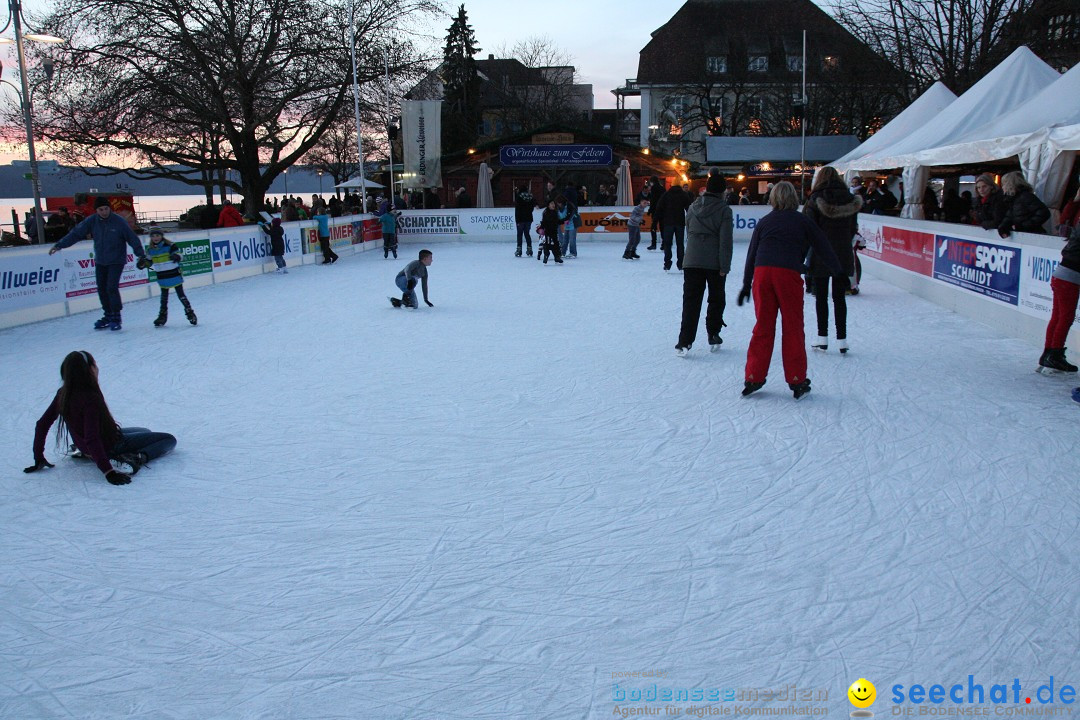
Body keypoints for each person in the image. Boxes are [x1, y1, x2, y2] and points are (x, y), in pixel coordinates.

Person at [736, 181, 841, 399]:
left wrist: (747, 284)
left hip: (763, 274)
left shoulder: (765, 222)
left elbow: (751, 255)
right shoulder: (803, 221)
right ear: (794, 198)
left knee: (763, 326)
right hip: (788, 275)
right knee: (793, 327)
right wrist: (839, 273)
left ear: (773, 198)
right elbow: (823, 247)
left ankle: (753, 376)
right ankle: (796, 379)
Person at [26, 350, 177, 485]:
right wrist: (108, 472)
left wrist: (38, 456)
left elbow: (42, 424)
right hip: (109, 445)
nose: (97, 368)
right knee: (168, 439)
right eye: (95, 364)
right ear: (89, 370)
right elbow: (92, 437)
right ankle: (135, 457)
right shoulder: (90, 398)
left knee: (144, 430)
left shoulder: (63, 393)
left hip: (94, 441)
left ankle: (85, 451)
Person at [49, 197, 147, 331]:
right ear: (96, 210)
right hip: (101, 260)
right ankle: (108, 315)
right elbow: (76, 233)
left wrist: (141, 254)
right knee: (101, 288)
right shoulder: (92, 221)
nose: (104, 212)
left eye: (106, 209)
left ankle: (116, 316)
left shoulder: (119, 222)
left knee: (111, 287)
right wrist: (60, 245)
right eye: (101, 209)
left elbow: (132, 238)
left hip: (116, 260)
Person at [803, 167, 862, 354]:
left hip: (821, 254)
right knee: (839, 298)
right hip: (843, 253)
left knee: (821, 297)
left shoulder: (814, 200)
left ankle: (822, 338)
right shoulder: (851, 200)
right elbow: (853, 228)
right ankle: (842, 340)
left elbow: (808, 228)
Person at [676, 173, 733, 356]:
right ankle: (713, 333)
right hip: (714, 262)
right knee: (716, 299)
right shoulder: (724, 210)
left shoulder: (692, 207)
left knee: (691, 301)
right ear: (722, 191)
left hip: (691, 260)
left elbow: (689, 230)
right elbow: (726, 241)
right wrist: (725, 266)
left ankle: (684, 341)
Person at [1038, 222, 1080, 374]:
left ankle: (1048, 353)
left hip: (1061, 275)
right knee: (1065, 318)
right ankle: (1054, 354)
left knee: (1057, 317)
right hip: (1069, 279)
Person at [144, 227, 198, 326]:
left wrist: (177, 256)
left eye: (157, 235)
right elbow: (148, 262)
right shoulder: (150, 249)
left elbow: (180, 255)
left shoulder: (169, 246)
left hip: (174, 275)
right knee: (164, 298)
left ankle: (190, 313)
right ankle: (162, 317)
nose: (155, 238)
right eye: (153, 236)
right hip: (162, 277)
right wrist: (143, 263)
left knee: (181, 295)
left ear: (161, 236)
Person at [653, 181, 692, 271]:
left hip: (668, 222)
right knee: (680, 244)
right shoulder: (683, 195)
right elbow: (689, 209)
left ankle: (667, 263)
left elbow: (659, 208)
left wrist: (654, 222)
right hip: (680, 222)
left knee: (667, 244)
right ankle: (681, 264)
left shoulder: (666, 195)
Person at [998, 170, 1050, 236]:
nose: (1002, 187)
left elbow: (1044, 213)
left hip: (1032, 235)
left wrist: (1024, 225)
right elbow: (1010, 215)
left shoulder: (1025, 197)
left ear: (1010, 184)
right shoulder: (1013, 199)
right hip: (1022, 234)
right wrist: (1003, 226)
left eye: (1004, 184)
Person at [538, 199, 564, 265]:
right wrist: (541, 228)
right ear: (548, 205)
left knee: (556, 244)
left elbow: (557, 221)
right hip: (548, 231)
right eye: (551, 204)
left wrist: (563, 221)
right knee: (548, 244)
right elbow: (544, 222)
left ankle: (557, 257)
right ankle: (546, 255)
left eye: (554, 204)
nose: (553, 205)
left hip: (554, 231)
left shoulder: (555, 212)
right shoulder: (546, 212)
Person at [514, 187, 536, 257]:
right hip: (529, 218)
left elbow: (517, 210)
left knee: (519, 234)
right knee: (527, 234)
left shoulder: (519, 197)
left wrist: (517, 220)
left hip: (520, 219)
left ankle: (519, 249)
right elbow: (532, 207)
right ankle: (529, 249)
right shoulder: (530, 197)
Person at [557, 194, 580, 259]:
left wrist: (565, 220)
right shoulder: (559, 208)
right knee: (565, 239)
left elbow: (570, 215)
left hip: (573, 223)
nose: (559, 204)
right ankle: (562, 253)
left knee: (572, 239)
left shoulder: (569, 205)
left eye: (559, 203)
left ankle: (573, 253)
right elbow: (560, 217)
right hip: (567, 224)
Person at [645, 176, 665, 250]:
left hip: (655, 211)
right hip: (662, 210)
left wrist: (650, 210)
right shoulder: (662, 188)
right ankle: (664, 243)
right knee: (662, 227)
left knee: (653, 227)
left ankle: (654, 243)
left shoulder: (653, 188)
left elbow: (653, 200)